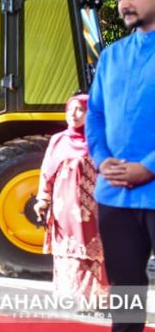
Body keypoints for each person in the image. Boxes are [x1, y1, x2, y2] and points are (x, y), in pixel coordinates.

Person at [67, 0, 155, 332]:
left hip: (149, 187)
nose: (123, 3)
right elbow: (95, 115)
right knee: (126, 283)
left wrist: (148, 168)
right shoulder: (114, 56)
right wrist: (101, 160)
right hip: (115, 194)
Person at [34, 94, 108, 310]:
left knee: (94, 252)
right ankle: (72, 297)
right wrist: (42, 199)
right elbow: (47, 173)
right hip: (63, 210)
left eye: (80, 110)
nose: (73, 115)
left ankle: (97, 299)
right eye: (70, 110)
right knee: (67, 252)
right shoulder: (58, 140)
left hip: (94, 210)